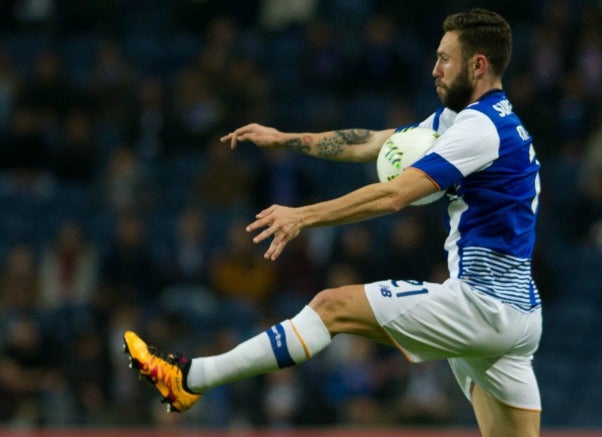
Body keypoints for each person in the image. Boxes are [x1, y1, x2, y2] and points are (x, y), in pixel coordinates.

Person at [124, 8, 543, 436]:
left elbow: (394, 194)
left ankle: (190, 378)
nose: (435, 69)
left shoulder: (480, 128)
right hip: (518, 313)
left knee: (331, 306)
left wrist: (302, 216)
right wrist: (285, 139)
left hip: (482, 305)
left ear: (478, 65)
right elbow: (373, 142)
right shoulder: (471, 119)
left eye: (445, 59)